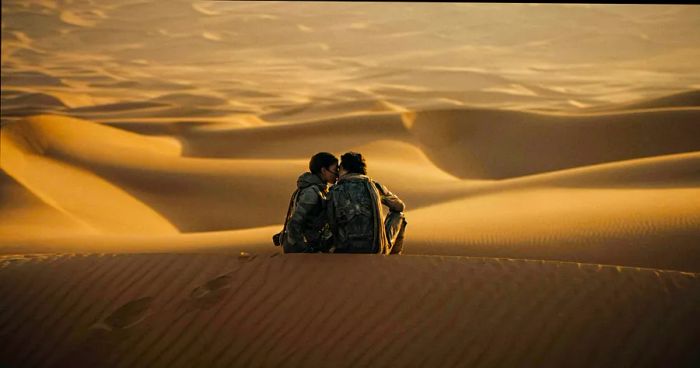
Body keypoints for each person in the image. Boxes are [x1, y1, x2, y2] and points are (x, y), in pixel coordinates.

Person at [327, 152, 407, 254]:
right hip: (375, 250)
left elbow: (331, 222)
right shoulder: (373, 186)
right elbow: (400, 206)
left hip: (344, 250)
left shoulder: (334, 190)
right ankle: (393, 260)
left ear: (343, 168)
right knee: (399, 215)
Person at [273, 152, 338, 253]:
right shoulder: (311, 192)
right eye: (334, 170)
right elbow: (294, 223)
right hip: (303, 254)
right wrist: (304, 249)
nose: (337, 174)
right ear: (323, 170)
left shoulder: (318, 189)